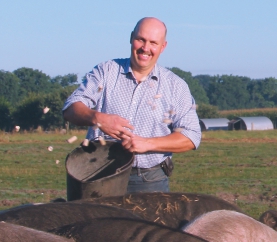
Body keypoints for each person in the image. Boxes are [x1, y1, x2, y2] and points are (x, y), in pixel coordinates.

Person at [62, 17, 201, 193]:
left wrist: (147, 144)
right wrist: (97, 118)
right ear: (131, 38)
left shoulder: (175, 86)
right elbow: (71, 107)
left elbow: (191, 136)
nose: (145, 48)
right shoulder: (106, 71)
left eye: (153, 43)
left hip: (148, 179)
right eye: (140, 39)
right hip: (97, 173)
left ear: (163, 47)